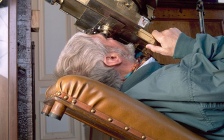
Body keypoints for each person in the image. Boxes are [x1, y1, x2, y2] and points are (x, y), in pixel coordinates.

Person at [55, 28, 224, 140]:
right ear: (113, 58)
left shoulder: (131, 105)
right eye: (106, 38)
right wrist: (186, 45)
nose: (112, 36)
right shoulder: (180, 81)